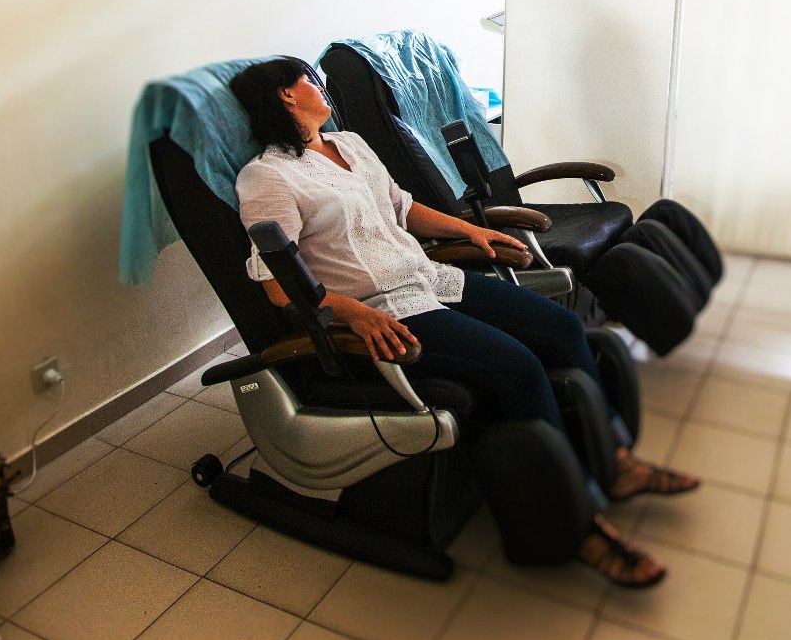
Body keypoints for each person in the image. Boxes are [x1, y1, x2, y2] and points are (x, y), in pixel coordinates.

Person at [231, 57, 699, 588]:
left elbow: (404, 208)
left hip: (430, 278)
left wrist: (469, 230)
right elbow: (277, 286)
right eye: (309, 80)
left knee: (563, 330)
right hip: (383, 311)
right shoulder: (267, 177)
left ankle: (611, 463)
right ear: (286, 95)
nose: (321, 86)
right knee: (519, 368)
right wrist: (353, 312)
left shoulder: (351, 144)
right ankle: (574, 526)